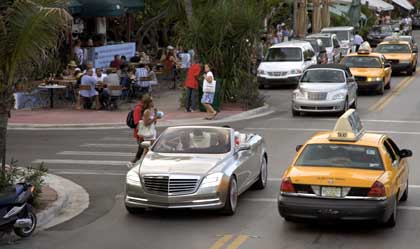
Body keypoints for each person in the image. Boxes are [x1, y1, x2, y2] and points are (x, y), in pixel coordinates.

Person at [131, 95, 145, 163]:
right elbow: (137, 122)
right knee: (142, 148)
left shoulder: (145, 108)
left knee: (142, 148)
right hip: (141, 133)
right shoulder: (138, 108)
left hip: (147, 133)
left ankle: (137, 161)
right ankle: (134, 161)